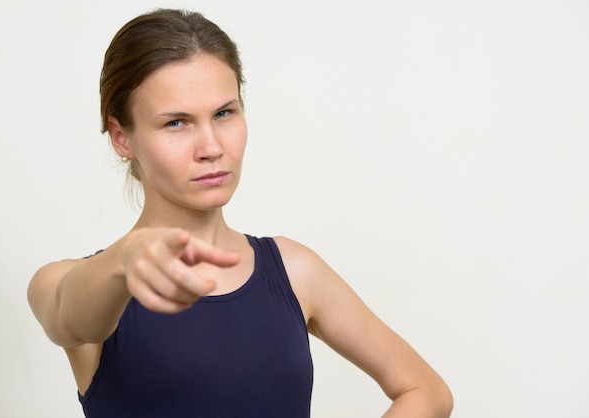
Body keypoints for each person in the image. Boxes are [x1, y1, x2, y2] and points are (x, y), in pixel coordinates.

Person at [27, 8, 453, 418]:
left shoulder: (293, 271)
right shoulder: (66, 282)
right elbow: (71, 319)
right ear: (122, 137)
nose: (212, 147)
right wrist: (125, 260)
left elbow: (426, 390)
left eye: (224, 113)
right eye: (176, 122)